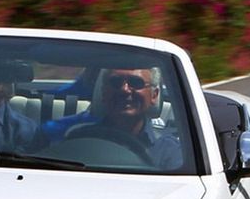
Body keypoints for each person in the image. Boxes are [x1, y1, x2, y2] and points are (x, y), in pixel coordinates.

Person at [44, 66, 182, 169]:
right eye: (115, 82)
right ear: (103, 92)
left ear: (154, 95)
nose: (125, 89)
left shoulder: (170, 151)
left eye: (136, 83)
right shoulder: (77, 140)